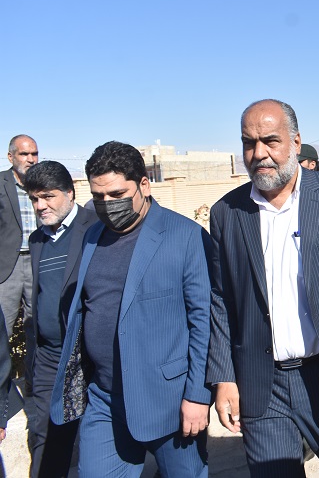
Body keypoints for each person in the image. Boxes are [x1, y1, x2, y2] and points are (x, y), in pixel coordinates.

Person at [207, 99, 319, 477]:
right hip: (261, 383)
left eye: (270, 141)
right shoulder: (226, 213)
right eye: (249, 143)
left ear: (296, 142)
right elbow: (220, 299)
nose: (259, 154)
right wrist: (224, 377)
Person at [50, 141, 211, 477]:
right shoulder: (92, 236)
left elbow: (204, 322)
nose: (108, 204)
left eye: (117, 194)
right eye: (98, 196)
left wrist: (197, 395)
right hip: (106, 400)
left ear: (144, 185)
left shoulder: (186, 237)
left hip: (169, 402)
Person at [25, 161, 98, 477]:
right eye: (34, 199)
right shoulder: (36, 240)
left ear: (70, 192)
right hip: (49, 359)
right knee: (46, 436)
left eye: (47, 196)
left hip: (88, 358)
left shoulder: (95, 229)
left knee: (98, 439)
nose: (40, 206)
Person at [0, 135, 38, 337]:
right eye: (24, 154)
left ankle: (33, 360)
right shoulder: (1, 183)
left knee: (37, 325)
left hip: (37, 261)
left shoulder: (42, 184)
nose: (30, 159)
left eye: (34, 154)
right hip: (7, 266)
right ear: (10, 157)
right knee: (3, 326)